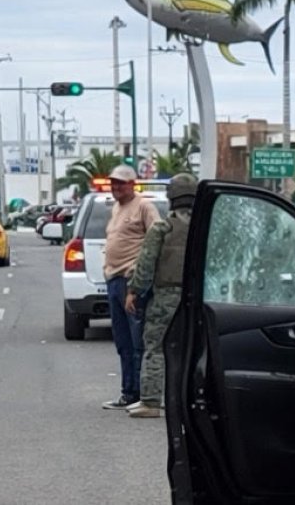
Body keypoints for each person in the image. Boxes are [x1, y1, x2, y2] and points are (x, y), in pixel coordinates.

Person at [124, 173, 198, 418]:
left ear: (171, 198)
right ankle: (190, 401)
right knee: (193, 349)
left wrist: (134, 290)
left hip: (166, 297)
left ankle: (152, 402)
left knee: (155, 347)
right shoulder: (204, 228)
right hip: (198, 298)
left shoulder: (162, 228)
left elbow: (146, 265)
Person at [101, 164, 161, 411]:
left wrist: (138, 281)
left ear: (132, 184)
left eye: (121, 183)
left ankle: (141, 394)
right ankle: (127, 392)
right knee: (122, 341)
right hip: (114, 280)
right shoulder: (116, 207)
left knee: (138, 342)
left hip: (131, 280)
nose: (116, 187)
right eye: (113, 183)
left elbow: (157, 238)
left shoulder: (144, 206)